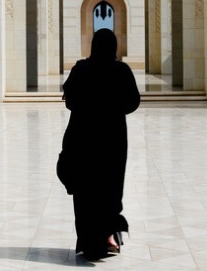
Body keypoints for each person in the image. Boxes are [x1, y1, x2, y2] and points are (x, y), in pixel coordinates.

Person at [59, 28, 141, 260]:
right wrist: (111, 108)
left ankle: (87, 240)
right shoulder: (120, 71)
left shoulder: (81, 70)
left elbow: (70, 101)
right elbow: (133, 102)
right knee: (109, 188)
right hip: (112, 140)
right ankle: (108, 237)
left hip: (83, 138)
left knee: (86, 189)